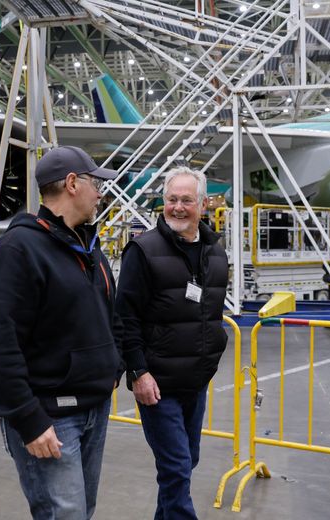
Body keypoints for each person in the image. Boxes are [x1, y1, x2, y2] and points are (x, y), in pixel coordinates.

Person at [0, 146, 123, 520]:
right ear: (72, 184)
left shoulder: (91, 250)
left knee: (81, 511)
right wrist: (29, 420)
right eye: (95, 184)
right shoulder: (18, 251)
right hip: (51, 417)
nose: (100, 193)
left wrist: (113, 368)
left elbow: (110, 318)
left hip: (94, 407)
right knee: (64, 514)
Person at [115, 166, 229, 520]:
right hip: (157, 381)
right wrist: (138, 372)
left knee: (185, 461)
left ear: (204, 204)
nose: (178, 207)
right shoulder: (143, 250)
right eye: (171, 200)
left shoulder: (215, 252)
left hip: (196, 381)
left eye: (186, 200)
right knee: (177, 466)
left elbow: (208, 313)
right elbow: (125, 317)